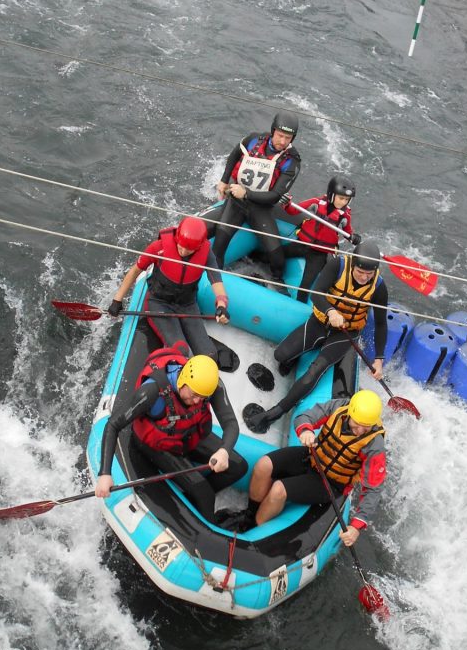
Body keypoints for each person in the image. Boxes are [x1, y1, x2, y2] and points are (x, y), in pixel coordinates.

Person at [243, 241, 388, 434]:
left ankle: (276, 412)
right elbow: (316, 293)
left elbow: (381, 323)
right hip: (321, 321)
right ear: (353, 264)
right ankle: (294, 357)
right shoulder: (337, 265)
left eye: (368, 274)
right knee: (281, 355)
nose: (364, 277)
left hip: (346, 332)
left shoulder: (379, 287)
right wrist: (330, 311)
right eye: (360, 272)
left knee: (315, 371)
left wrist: (379, 359)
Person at [95, 344, 248, 527]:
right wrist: (104, 474)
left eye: (202, 397)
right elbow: (113, 425)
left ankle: (190, 497)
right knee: (205, 495)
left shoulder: (210, 386)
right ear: (183, 380)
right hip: (159, 445)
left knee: (239, 467)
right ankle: (202, 503)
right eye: (194, 395)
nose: (197, 401)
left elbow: (230, 423)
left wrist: (224, 451)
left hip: (188, 435)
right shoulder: (151, 392)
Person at [242, 390, 386, 541]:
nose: (360, 431)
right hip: (312, 457)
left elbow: (373, 489)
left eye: (366, 427)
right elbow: (305, 417)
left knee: (278, 489)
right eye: (357, 424)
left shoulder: (375, 446)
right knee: (263, 465)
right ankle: (249, 516)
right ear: (350, 412)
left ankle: (254, 531)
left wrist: (356, 526)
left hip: (330, 483)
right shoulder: (338, 407)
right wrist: (305, 430)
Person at [107, 216, 229, 360]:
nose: (183, 251)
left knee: (210, 355)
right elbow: (134, 271)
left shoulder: (206, 253)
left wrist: (222, 305)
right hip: (159, 302)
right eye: (181, 246)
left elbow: (216, 280)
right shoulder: (159, 247)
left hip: (187, 304)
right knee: (181, 350)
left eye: (189, 250)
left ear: (199, 247)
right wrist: (117, 300)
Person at [212, 112, 302, 288]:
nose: (283, 141)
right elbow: (234, 155)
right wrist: (223, 180)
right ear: (273, 131)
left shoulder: (292, 161)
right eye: (280, 135)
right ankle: (214, 282)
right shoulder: (253, 139)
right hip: (236, 202)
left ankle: (277, 285)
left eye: (288, 138)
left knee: (277, 257)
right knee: (219, 244)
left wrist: (246, 193)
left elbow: (275, 196)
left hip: (261, 206)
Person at [281, 176, 358, 303]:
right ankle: (257, 264)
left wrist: (354, 237)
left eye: (346, 199)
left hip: (319, 254)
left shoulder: (345, 216)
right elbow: (293, 210)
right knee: (277, 254)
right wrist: (287, 203)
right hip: (302, 244)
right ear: (331, 194)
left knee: (305, 286)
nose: (343, 202)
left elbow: (348, 233)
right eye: (341, 198)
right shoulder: (316, 203)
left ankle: (299, 306)